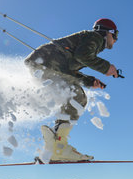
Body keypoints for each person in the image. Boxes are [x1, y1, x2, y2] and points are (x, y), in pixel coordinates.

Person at [24, 18, 119, 162]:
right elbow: (82, 56)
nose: (116, 39)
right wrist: (107, 68)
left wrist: (89, 81)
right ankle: (59, 147)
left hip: (45, 65)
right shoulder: (96, 37)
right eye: (115, 35)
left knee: (73, 96)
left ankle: (54, 145)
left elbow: (70, 69)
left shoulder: (89, 42)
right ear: (108, 32)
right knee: (77, 97)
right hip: (47, 65)